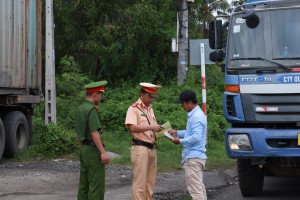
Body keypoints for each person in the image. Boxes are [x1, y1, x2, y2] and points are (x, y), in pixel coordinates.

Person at [125, 82, 164, 200]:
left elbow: (153, 127)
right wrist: (152, 127)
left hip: (152, 148)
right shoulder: (134, 108)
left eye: (154, 97)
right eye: (149, 96)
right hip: (140, 148)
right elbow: (132, 127)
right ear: (142, 94)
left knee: (150, 182)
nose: (152, 99)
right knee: (140, 183)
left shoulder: (150, 108)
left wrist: (164, 132)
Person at [168, 89, 207, 200]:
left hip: (193, 158)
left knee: (196, 191)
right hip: (195, 156)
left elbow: (196, 137)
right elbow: (191, 133)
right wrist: (177, 132)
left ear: (189, 102)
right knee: (199, 188)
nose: (182, 106)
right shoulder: (196, 115)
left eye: (182, 103)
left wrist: (179, 141)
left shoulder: (196, 117)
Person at [75, 80, 110, 200]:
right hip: (93, 151)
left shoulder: (80, 108)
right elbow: (94, 132)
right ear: (95, 94)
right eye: (101, 94)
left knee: (84, 185)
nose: (101, 97)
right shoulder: (91, 109)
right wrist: (103, 152)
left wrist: (82, 148)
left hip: (84, 149)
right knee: (96, 186)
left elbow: (78, 132)